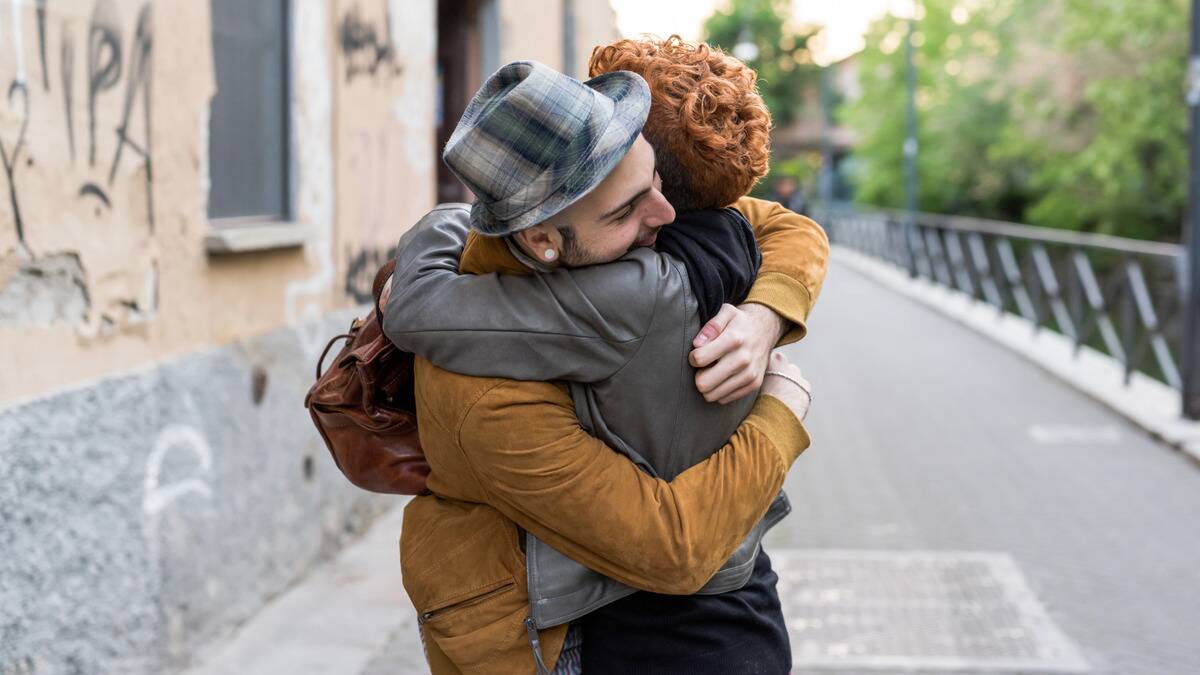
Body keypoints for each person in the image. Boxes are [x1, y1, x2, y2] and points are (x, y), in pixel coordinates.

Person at [385, 54, 826, 674]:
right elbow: (674, 549)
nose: (669, 219)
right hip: (544, 636)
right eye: (626, 213)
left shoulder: (633, 237)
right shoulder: (488, 397)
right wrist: (782, 406)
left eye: (657, 183)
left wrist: (765, 316)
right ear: (541, 241)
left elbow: (784, 225)